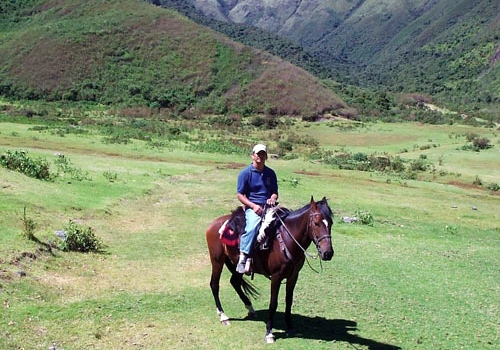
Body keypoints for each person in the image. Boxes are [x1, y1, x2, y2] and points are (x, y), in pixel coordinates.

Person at [236, 144, 278, 273]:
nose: (260, 156)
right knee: (253, 226)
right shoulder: (245, 173)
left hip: (270, 206)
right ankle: (243, 257)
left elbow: (274, 192)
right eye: (258, 154)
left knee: (286, 222)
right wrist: (253, 206)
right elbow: (240, 195)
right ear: (253, 155)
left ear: (266, 156)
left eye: (263, 154)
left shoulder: (270, 173)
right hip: (253, 207)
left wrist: (273, 198)